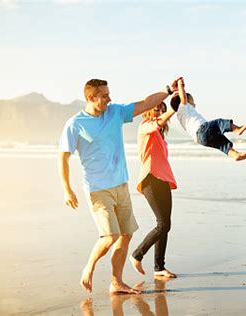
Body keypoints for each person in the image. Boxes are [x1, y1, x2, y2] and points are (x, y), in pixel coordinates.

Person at [58, 77, 181, 294]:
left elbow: (145, 103)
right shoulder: (75, 124)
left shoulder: (115, 112)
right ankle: (89, 267)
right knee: (110, 236)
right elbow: (64, 157)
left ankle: (116, 282)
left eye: (108, 94)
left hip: (121, 185)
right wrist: (67, 188)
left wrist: (167, 90)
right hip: (97, 189)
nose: (109, 98)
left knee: (126, 234)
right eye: (104, 95)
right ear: (91, 97)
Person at [129, 100, 178, 278]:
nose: (160, 111)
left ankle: (159, 268)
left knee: (165, 225)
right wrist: (173, 109)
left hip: (163, 180)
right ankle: (137, 254)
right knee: (162, 224)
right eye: (157, 108)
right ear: (148, 111)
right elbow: (157, 123)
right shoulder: (145, 126)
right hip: (150, 179)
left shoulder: (160, 135)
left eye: (163, 109)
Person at [171, 79, 246, 161]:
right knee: (219, 122)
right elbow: (183, 97)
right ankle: (237, 129)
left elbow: (182, 98)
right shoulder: (183, 107)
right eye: (192, 101)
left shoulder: (181, 115)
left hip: (200, 139)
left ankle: (235, 155)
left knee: (221, 142)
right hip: (202, 130)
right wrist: (180, 85)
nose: (194, 103)